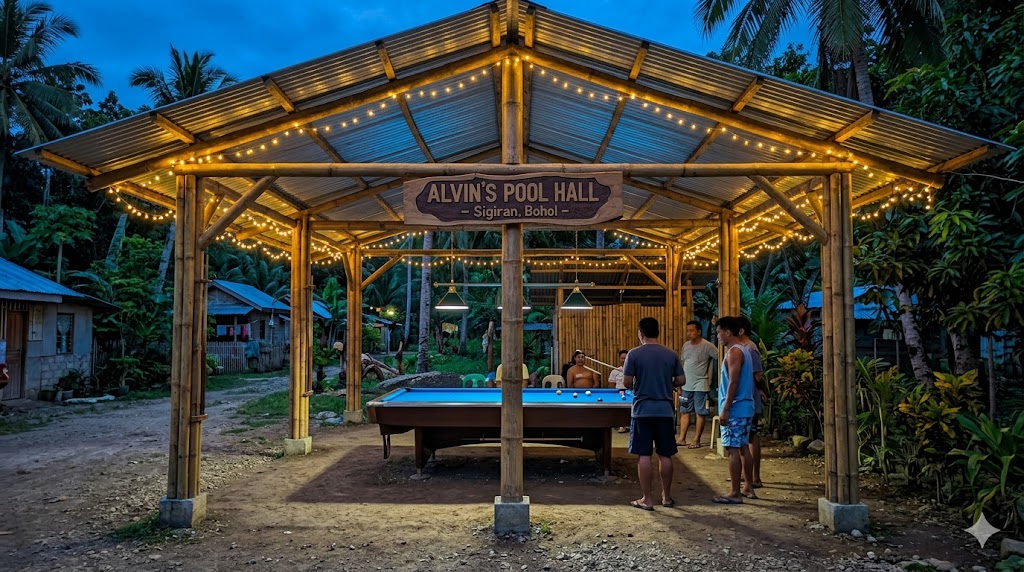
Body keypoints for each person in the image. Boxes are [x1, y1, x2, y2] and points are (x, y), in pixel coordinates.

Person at [623, 317, 685, 511]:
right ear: (658, 331)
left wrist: (637, 382)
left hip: (642, 411)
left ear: (640, 333)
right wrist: (669, 383)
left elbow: (626, 382)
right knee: (665, 454)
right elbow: (681, 380)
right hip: (665, 411)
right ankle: (666, 497)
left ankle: (647, 499)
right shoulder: (671, 354)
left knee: (644, 454)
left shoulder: (634, 354)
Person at [712, 316, 757, 504]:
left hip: (736, 408)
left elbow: (733, 381)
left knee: (732, 449)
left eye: (718, 332)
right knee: (743, 447)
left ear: (727, 332)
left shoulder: (735, 352)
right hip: (745, 406)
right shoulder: (744, 349)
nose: (717, 336)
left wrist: (726, 408)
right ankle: (748, 487)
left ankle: (735, 492)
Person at [677, 320, 717, 448]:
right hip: (686, 384)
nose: (689, 333)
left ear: (699, 331)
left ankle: (696, 440)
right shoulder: (686, 345)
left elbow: (720, 357)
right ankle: (681, 438)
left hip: (701, 384)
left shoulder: (708, 346)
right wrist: (679, 383)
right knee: (684, 411)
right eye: (688, 330)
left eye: (692, 330)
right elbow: (683, 363)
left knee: (700, 412)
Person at [737, 315, 766, 489]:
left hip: (750, 399)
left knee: (751, 436)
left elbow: (758, 375)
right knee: (746, 438)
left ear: (741, 331)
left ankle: (755, 477)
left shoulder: (751, 348)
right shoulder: (742, 348)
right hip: (746, 398)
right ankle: (746, 474)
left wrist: (760, 389)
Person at [607, 349, 629, 433]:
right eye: (622, 358)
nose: (624, 360)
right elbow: (611, 385)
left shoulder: (635, 371)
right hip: (618, 393)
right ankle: (621, 424)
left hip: (630, 392)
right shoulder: (615, 371)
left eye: (626, 358)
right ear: (619, 359)